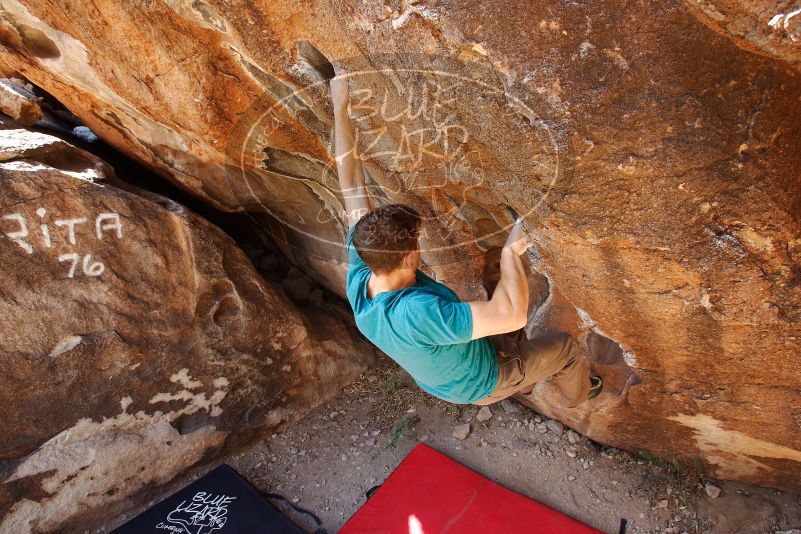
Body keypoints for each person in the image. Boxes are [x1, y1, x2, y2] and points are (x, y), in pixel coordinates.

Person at [330, 74, 603, 407]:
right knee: (564, 348)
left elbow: (352, 185)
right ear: (407, 257)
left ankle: (526, 379)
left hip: (452, 366)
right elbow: (513, 316)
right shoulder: (417, 314)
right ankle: (579, 395)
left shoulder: (364, 266)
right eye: (416, 242)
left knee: (498, 299)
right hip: (481, 382)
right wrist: (510, 253)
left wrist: (339, 105)